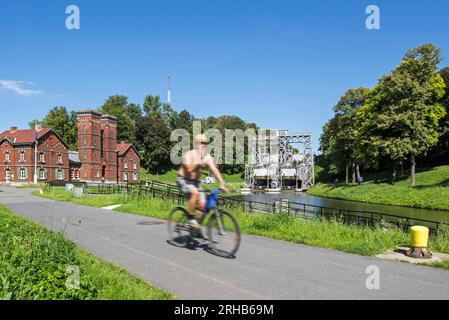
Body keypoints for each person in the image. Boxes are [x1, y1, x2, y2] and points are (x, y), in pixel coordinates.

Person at [176, 134, 229, 232]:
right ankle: (191, 220)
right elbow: (189, 169)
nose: (204, 145)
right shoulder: (189, 154)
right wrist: (198, 163)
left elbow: (214, 170)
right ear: (196, 144)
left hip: (196, 182)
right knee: (195, 193)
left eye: (205, 143)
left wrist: (221, 183)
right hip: (183, 179)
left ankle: (196, 228)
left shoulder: (207, 156)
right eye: (201, 143)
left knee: (203, 204)